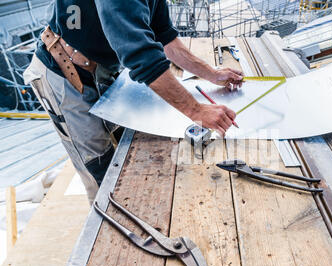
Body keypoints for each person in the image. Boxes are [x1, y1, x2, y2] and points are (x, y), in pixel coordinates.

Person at [24, 0, 243, 203]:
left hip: (100, 68)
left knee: (123, 148)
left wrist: (211, 74)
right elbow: (141, 56)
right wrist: (196, 110)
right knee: (98, 165)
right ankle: (106, 229)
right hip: (64, 71)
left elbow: (165, 38)